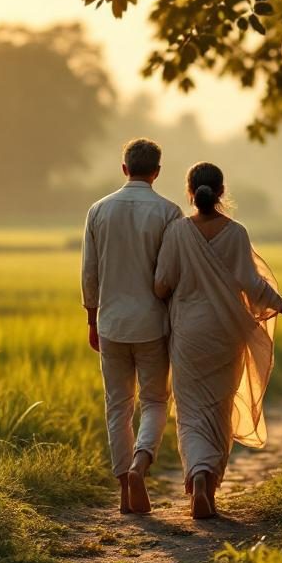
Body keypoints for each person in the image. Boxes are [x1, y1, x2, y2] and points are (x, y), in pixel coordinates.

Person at [154, 162, 282, 519]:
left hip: (188, 335)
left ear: (190, 192)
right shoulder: (236, 232)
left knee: (192, 413)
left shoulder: (177, 232)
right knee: (219, 411)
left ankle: (196, 477)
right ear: (222, 192)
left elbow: (161, 283)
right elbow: (254, 286)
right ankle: (209, 485)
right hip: (226, 335)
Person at [81, 138, 183, 515]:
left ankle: (126, 485)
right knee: (155, 401)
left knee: (117, 406)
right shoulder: (170, 213)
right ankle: (141, 465)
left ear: (124, 168)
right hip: (154, 323)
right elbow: (171, 274)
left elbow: (89, 274)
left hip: (110, 322)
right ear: (156, 172)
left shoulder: (98, 210)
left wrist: (92, 319)